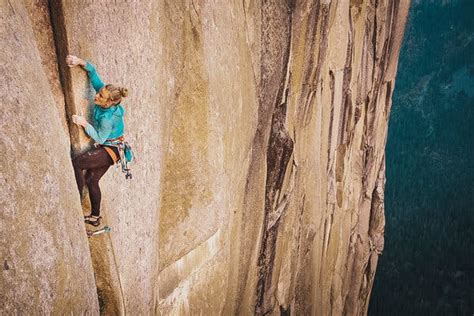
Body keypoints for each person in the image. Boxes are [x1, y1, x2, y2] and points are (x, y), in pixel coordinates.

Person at [66, 55, 129, 227]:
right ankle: (95, 217)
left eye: (101, 96)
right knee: (92, 180)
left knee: (78, 163)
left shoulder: (108, 117)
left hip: (111, 150)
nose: (97, 96)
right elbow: (93, 73)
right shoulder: (105, 95)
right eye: (100, 93)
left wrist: (84, 123)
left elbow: (100, 137)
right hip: (113, 148)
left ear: (109, 103)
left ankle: (75, 202)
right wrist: (79, 62)